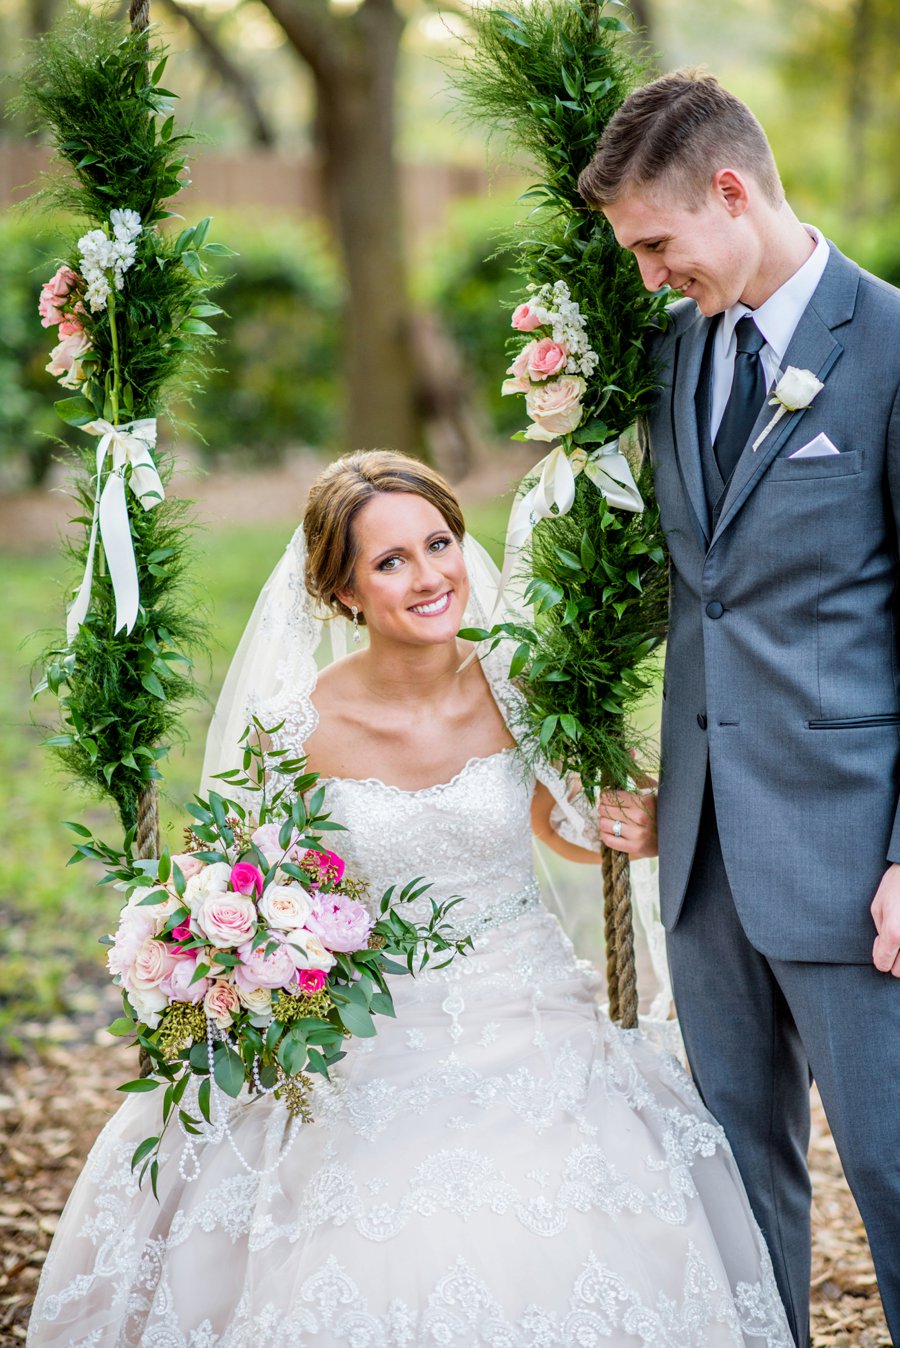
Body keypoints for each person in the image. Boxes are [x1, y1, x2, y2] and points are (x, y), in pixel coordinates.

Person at [28, 450, 792, 1346]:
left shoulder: (519, 684)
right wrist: (222, 955)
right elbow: (229, 876)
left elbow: (563, 826)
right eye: (390, 561)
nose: (431, 577)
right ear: (343, 591)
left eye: (440, 544)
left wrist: (637, 824)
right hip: (372, 1040)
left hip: (534, 1020)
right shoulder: (295, 728)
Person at [578, 71, 900, 1348]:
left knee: (890, 1169)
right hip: (703, 857)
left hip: (850, 855)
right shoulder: (672, 354)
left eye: (658, 243)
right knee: (731, 1180)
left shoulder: (887, 346)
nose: (651, 273)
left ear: (730, 192)